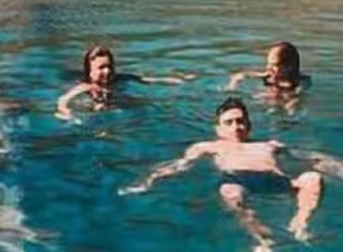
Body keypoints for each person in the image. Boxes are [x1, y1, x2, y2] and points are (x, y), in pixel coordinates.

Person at [120, 98, 327, 249]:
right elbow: (181, 165)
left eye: (240, 121)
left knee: (312, 178)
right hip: (239, 180)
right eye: (229, 122)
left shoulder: (269, 144)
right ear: (218, 128)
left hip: (274, 179)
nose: (236, 127)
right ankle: (263, 241)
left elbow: (311, 158)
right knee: (229, 192)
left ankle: (300, 223)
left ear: (249, 125)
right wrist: (149, 180)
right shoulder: (208, 146)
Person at [55, 45, 196, 121]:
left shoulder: (120, 78)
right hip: (93, 107)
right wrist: (65, 112)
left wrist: (178, 80)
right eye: (101, 68)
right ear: (89, 72)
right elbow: (63, 99)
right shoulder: (86, 86)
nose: (107, 71)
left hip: (115, 102)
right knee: (99, 106)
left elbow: (146, 80)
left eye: (110, 66)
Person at [226, 42, 310, 94]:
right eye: (268, 64)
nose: (268, 68)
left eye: (274, 65)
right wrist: (232, 86)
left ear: (289, 67)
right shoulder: (268, 76)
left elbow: (300, 93)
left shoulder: (301, 81)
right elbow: (240, 75)